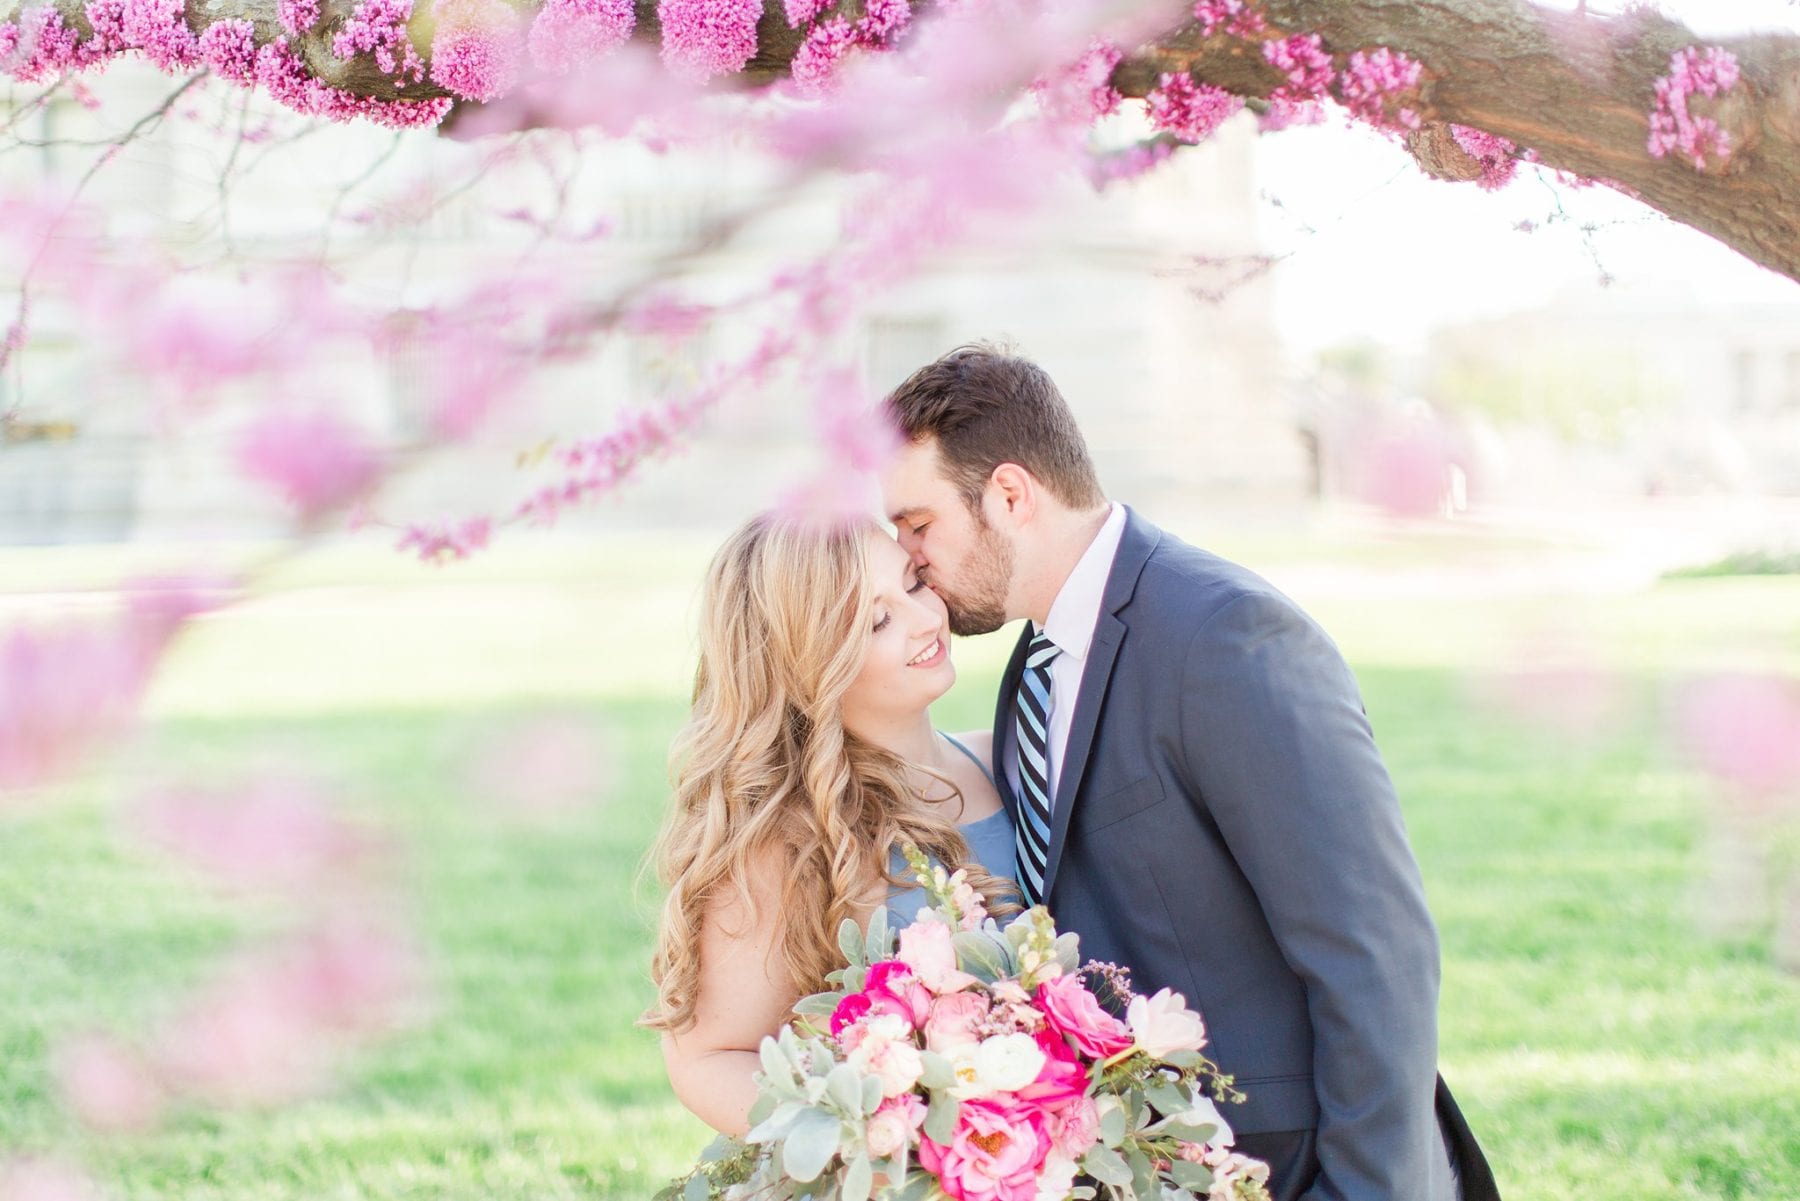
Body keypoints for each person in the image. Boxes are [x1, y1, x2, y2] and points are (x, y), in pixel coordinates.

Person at [878, 344, 1498, 1201]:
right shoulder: (1034, 667)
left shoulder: (1226, 636)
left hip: (1301, 1163)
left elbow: (1375, 951)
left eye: (918, 525)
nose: (911, 559)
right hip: (1160, 1160)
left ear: (1011, 495)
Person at [642, 512, 1018, 1137]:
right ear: (808, 660)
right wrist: (877, 1152)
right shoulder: (790, 841)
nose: (927, 620)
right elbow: (708, 1058)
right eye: (877, 620)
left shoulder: (1006, 761)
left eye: (915, 585)